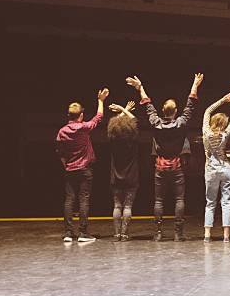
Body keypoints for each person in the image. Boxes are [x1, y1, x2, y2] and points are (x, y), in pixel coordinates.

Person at [126, 73, 203, 242]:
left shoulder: (156, 123)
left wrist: (140, 88)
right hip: (176, 165)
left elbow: (148, 106)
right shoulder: (181, 123)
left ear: (163, 111)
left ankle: (159, 232)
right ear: (175, 111)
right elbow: (190, 106)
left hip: (160, 166)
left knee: (159, 200)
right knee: (179, 199)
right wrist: (195, 85)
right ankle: (178, 233)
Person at [56, 88, 109, 242]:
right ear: (81, 115)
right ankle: (83, 233)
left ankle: (68, 233)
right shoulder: (83, 128)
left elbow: (60, 153)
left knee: (69, 200)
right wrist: (100, 101)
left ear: (68, 116)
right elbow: (99, 117)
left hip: (70, 169)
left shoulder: (61, 132)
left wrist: (66, 165)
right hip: (85, 169)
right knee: (83, 199)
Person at [202, 91, 230, 243]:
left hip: (211, 169)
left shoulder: (206, 132)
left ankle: (207, 234)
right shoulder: (225, 134)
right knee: (226, 201)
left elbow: (207, 111)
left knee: (210, 202)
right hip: (225, 168)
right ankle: (225, 235)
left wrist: (223, 100)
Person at [107, 101, 139, 242]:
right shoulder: (132, 138)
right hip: (131, 177)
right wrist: (123, 109)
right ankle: (124, 234)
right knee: (127, 206)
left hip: (116, 176)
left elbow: (117, 124)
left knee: (117, 206)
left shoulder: (113, 138)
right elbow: (134, 120)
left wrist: (122, 110)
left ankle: (116, 234)